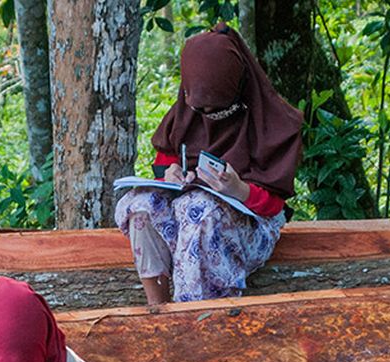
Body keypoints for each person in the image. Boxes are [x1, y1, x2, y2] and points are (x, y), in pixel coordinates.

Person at [115, 23, 303, 305]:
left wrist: (239, 190)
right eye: (200, 110)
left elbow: (274, 205)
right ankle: (157, 310)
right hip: (187, 219)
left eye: (217, 109)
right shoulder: (187, 111)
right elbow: (166, 157)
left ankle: (200, 315)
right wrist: (171, 173)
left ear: (238, 90)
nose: (207, 116)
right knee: (141, 205)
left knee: (199, 210)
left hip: (247, 225)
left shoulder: (276, 123)